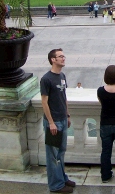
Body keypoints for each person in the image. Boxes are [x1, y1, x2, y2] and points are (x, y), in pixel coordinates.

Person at [40, 48, 75, 193]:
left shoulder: (62, 76)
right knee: (53, 155)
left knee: (61, 152)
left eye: (63, 56)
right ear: (53, 60)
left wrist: (67, 115)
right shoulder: (46, 79)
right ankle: (56, 185)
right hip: (53, 122)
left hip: (62, 119)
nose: (63, 58)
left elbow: (63, 97)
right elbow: (44, 102)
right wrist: (51, 122)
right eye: (60, 56)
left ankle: (62, 177)